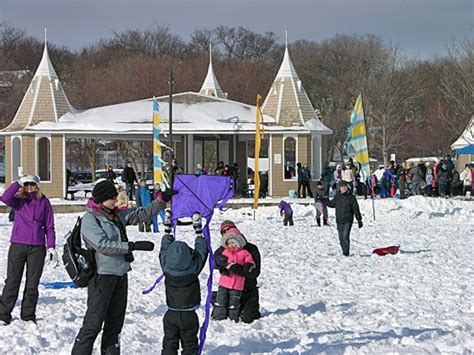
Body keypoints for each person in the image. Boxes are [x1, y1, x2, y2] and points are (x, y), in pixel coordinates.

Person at [72, 179, 166, 354]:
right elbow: (102, 245)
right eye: (112, 197)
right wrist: (130, 246)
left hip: (120, 275)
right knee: (93, 324)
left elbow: (141, 214)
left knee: (115, 325)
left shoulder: (115, 215)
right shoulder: (90, 219)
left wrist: (161, 200)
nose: (116, 200)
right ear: (101, 199)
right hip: (101, 277)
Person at [0, 176, 56, 325]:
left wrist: (51, 246)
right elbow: (4, 198)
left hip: (37, 248)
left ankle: (28, 315)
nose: (29, 187)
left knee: (32, 283)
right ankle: (3, 314)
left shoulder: (44, 202)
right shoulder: (18, 200)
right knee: (12, 280)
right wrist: (17, 183)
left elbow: (49, 226)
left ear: (37, 186)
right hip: (18, 245)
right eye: (27, 184)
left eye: (32, 184)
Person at [160, 210, 208, 355]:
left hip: (171, 314)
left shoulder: (166, 267)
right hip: (189, 315)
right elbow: (201, 251)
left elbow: (163, 249)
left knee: (169, 342)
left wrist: (168, 230)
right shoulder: (193, 269)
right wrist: (198, 231)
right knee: (190, 343)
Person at [213, 220, 261, 323]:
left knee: (247, 318)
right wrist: (219, 264)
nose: (226, 232)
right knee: (221, 306)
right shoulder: (224, 249)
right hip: (228, 288)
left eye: (228, 229)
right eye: (223, 232)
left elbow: (255, 272)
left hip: (247, 290)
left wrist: (239, 269)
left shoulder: (251, 249)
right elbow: (213, 262)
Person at [326, 181, 363, 256]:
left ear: (347, 187)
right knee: (341, 238)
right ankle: (344, 251)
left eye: (345, 186)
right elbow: (332, 204)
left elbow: (356, 209)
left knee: (345, 236)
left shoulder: (351, 197)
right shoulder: (337, 196)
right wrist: (324, 200)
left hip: (348, 220)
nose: (344, 188)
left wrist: (359, 220)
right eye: (342, 187)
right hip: (339, 220)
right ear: (340, 188)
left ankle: (346, 253)